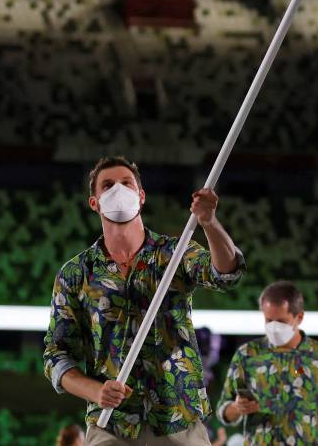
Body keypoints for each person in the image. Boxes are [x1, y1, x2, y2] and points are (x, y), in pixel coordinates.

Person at [44, 155, 246, 445]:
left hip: (179, 418)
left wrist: (210, 223)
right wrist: (95, 391)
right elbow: (56, 355)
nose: (118, 189)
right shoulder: (76, 273)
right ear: (94, 203)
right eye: (108, 185)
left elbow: (225, 273)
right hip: (111, 423)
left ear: (141, 197)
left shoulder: (176, 252)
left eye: (126, 183)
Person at [217, 281, 318, 445]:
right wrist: (237, 408)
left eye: (281, 321)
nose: (274, 327)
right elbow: (224, 409)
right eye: (268, 320)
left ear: (299, 317)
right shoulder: (247, 355)